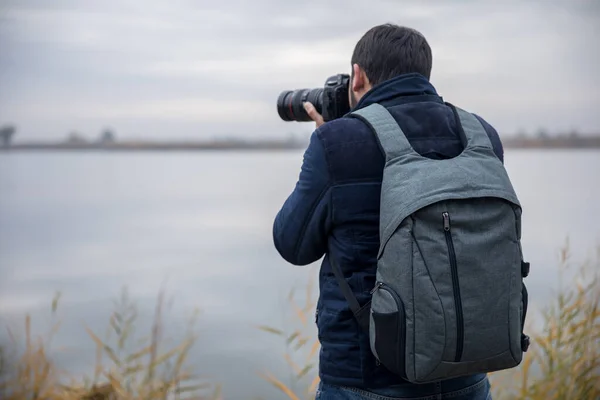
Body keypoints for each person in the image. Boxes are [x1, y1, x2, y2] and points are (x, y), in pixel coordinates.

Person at [272, 24, 501, 400]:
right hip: (469, 373)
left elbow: (292, 245)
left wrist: (328, 142)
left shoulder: (337, 141)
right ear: (424, 72)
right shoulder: (482, 135)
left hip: (365, 379)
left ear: (358, 75)